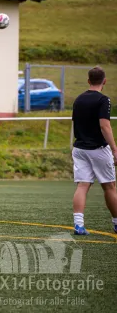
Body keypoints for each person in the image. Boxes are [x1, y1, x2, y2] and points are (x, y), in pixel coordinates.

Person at [71, 66, 117, 235]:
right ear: (104, 81)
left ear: (88, 80)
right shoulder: (104, 100)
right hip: (98, 148)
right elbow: (104, 126)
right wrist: (114, 148)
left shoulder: (78, 99)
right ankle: (116, 223)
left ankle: (78, 225)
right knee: (110, 186)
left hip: (79, 148)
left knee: (82, 185)